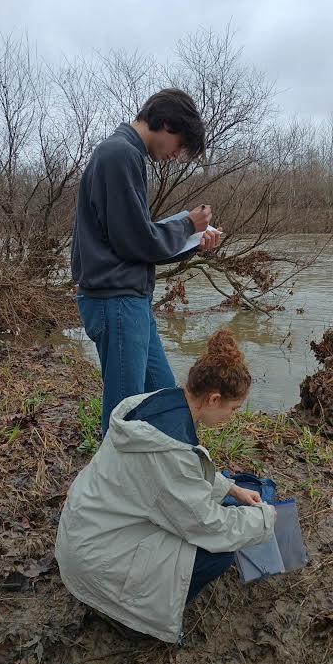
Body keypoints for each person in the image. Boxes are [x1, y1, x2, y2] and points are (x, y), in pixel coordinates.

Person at [56, 329, 276, 643]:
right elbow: (207, 526)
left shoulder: (157, 403)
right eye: (233, 409)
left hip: (86, 533)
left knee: (221, 513)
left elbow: (173, 474)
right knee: (220, 552)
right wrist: (265, 520)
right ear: (214, 399)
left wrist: (231, 488)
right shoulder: (170, 452)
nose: (232, 416)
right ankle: (134, 618)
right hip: (94, 564)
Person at [71, 88, 221, 436]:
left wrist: (193, 241)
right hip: (116, 301)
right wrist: (187, 225)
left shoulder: (125, 154)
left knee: (164, 398)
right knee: (124, 417)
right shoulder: (120, 154)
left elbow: (133, 239)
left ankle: (179, 462)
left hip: (129, 301)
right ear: (166, 124)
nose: (176, 155)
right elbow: (137, 240)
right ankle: (114, 471)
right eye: (180, 145)